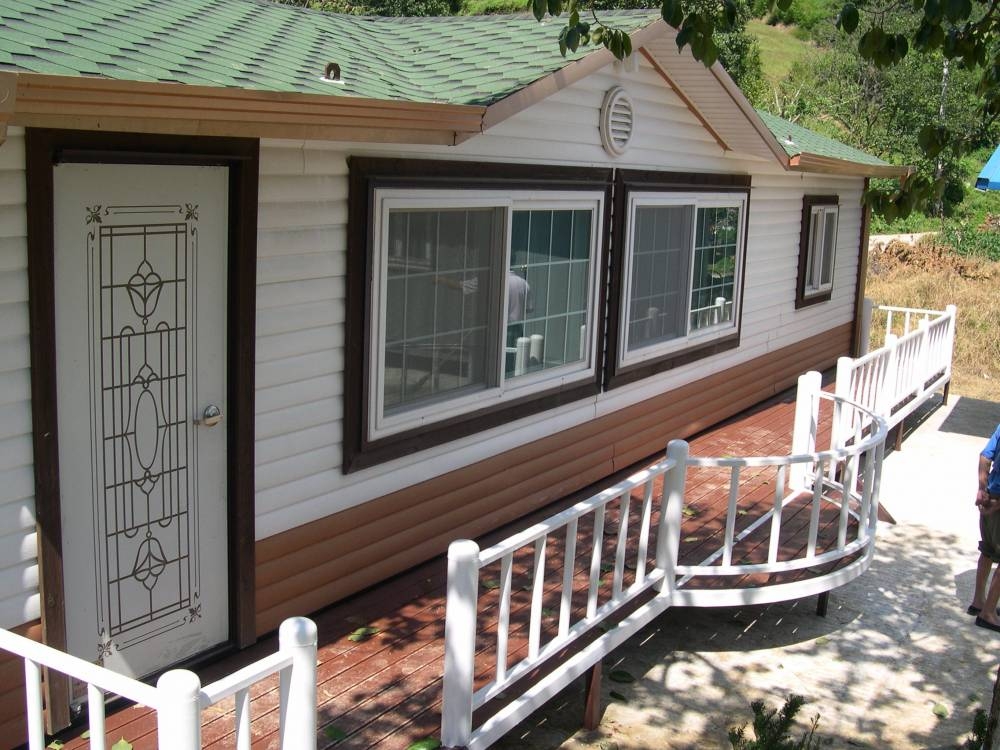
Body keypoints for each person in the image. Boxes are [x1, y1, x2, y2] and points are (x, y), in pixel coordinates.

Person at [970, 423, 1000, 631]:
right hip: (997, 502)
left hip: (990, 493)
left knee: (988, 550)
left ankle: (978, 601)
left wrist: (982, 488)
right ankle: (988, 613)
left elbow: (985, 456)